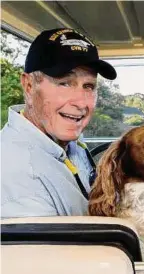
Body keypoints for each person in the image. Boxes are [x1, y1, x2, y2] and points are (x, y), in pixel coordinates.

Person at [1, 28, 117, 218]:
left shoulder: (64, 140)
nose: (81, 103)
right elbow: (49, 248)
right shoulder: (18, 173)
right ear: (29, 86)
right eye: (64, 83)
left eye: (89, 86)